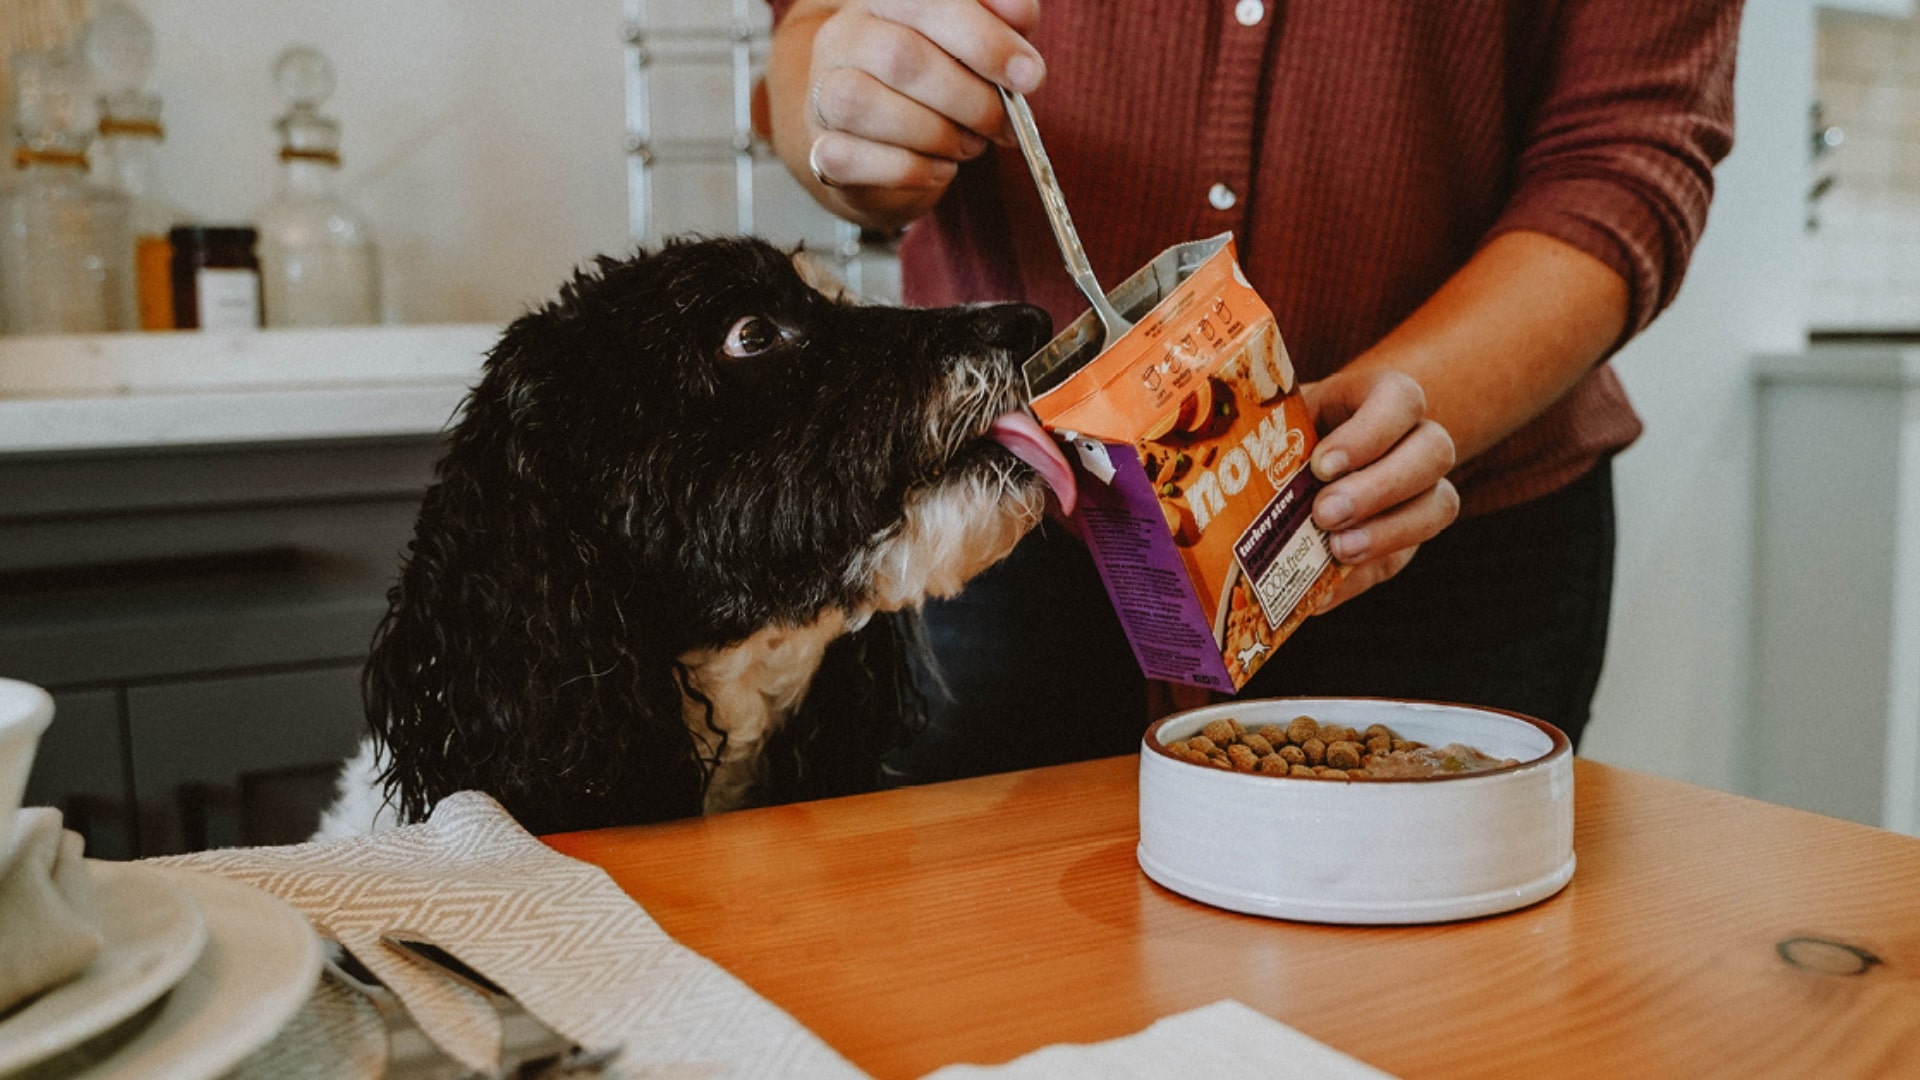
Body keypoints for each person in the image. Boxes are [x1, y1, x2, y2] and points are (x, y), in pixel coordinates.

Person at [763, 0, 1743, 776]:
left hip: (1440, 544)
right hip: (995, 521)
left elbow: (1625, 151)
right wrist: (858, 119)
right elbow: (809, 37)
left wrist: (1420, 398)